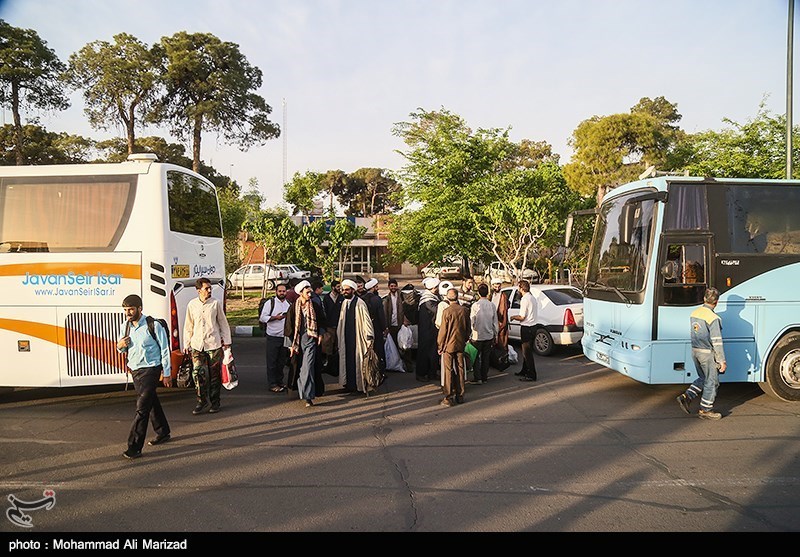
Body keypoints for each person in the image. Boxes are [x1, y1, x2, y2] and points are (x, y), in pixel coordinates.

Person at [116, 294, 172, 459]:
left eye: (131, 309)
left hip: (151, 370)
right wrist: (120, 346)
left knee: (141, 409)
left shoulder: (153, 325)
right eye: (126, 310)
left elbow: (164, 350)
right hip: (135, 370)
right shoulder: (125, 326)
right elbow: (123, 349)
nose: (128, 313)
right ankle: (163, 431)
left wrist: (167, 373)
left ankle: (134, 447)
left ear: (140, 308)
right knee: (151, 401)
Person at [676, 286, 727, 420]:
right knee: (712, 381)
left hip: (695, 351)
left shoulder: (695, 313)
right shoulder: (713, 318)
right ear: (716, 302)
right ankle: (706, 410)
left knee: (703, 378)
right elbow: (717, 341)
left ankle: (686, 397)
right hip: (706, 354)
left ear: (704, 298)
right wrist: (722, 361)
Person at [184, 278, 232, 414]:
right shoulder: (192, 305)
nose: (209, 290)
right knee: (197, 373)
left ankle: (215, 402)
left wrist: (227, 341)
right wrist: (186, 343)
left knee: (214, 375)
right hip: (197, 344)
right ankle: (201, 401)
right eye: (206, 288)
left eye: (210, 288)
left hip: (213, 344)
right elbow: (188, 325)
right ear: (199, 290)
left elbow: (223, 323)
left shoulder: (215, 304)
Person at [289, 279, 325, 407]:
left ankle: (308, 396)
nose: (310, 295)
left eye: (310, 292)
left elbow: (321, 320)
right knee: (299, 367)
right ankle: (302, 391)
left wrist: (320, 333)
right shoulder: (294, 307)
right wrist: (291, 345)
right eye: (307, 292)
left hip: (311, 340)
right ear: (301, 293)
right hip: (298, 342)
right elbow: (289, 326)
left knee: (308, 368)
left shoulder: (314, 305)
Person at [337, 279, 375, 394]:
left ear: (353, 290)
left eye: (347, 290)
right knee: (347, 361)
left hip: (357, 338)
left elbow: (367, 321)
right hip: (346, 338)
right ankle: (348, 384)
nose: (345, 292)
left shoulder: (360, 303)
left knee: (357, 362)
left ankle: (358, 386)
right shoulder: (344, 303)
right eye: (343, 290)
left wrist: (369, 337)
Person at [437, 288, 470, 407]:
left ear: (447, 297)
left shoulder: (447, 311)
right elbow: (468, 329)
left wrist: (440, 345)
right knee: (460, 368)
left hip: (448, 345)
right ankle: (460, 395)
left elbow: (443, 331)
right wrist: (464, 340)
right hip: (460, 343)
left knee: (448, 370)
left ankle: (448, 396)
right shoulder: (464, 310)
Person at [259, 283, 290, 393]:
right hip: (273, 336)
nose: (282, 293)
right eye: (280, 291)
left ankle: (280, 382)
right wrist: (275, 318)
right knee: (272, 362)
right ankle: (272, 384)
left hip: (284, 337)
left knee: (281, 362)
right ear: (276, 292)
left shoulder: (288, 304)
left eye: (284, 291)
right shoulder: (270, 303)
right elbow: (263, 318)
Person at [470, 283, 498, 385]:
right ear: (488, 293)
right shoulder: (492, 305)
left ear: (478, 293)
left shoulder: (475, 305)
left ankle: (478, 378)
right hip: (489, 335)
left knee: (476, 357)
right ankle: (484, 376)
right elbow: (495, 321)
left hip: (477, 336)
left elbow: (472, 321)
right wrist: (496, 334)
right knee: (486, 357)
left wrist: (471, 332)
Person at [510, 279, 537, 381]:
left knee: (527, 352)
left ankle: (531, 374)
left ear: (521, 288)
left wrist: (513, 317)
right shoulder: (532, 298)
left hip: (527, 327)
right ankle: (524, 370)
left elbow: (522, 316)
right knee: (526, 350)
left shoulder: (525, 299)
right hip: (533, 326)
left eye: (518, 288)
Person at [416, 276, 441, 382]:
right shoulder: (428, 300)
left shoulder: (432, 297)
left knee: (433, 353)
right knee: (424, 353)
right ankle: (421, 374)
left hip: (431, 330)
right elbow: (437, 311)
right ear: (433, 288)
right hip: (427, 331)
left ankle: (432, 373)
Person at [362, 278, 387, 374]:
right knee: (378, 349)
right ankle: (380, 371)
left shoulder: (362, 299)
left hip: (365, 328)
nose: (378, 288)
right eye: (376, 287)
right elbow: (381, 315)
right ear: (373, 288)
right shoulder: (377, 299)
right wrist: (384, 328)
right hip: (376, 328)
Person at [382, 277, 406, 348]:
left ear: (397, 286)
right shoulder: (386, 299)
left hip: (400, 324)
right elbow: (385, 313)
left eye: (395, 286)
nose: (393, 288)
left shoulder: (401, 297)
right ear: (389, 287)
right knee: (393, 345)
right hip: (391, 325)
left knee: (402, 344)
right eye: (391, 286)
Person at [489, 278, 510, 357]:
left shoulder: (503, 296)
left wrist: (501, 322)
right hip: (493, 321)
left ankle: (503, 359)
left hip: (500, 321)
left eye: (498, 284)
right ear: (492, 286)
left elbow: (503, 310)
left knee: (502, 341)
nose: (497, 286)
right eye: (495, 285)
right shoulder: (492, 295)